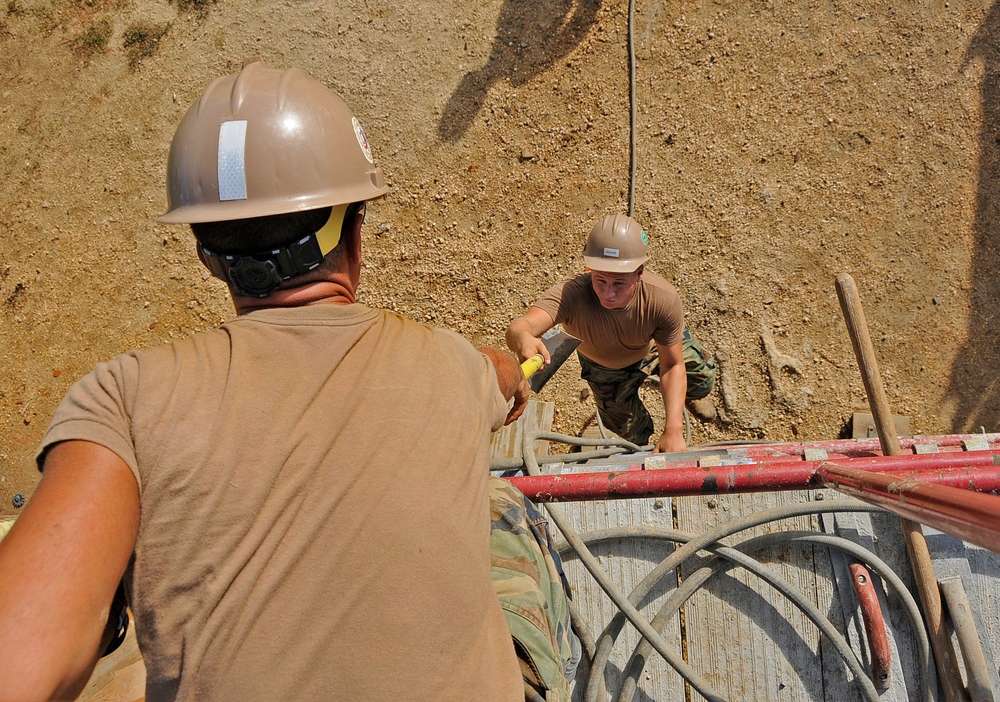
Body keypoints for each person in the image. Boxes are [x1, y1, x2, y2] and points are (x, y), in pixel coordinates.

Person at [0, 63, 575, 701]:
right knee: (506, 513)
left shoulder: (123, 398)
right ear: (355, 232)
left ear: (205, 253)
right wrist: (511, 378)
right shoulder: (450, 364)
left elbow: (21, 663)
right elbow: (498, 371)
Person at [506, 214, 717, 453]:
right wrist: (523, 338)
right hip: (604, 368)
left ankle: (689, 396)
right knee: (632, 433)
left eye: (618, 283)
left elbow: (672, 364)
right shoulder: (571, 295)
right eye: (600, 280)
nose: (607, 293)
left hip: (652, 348)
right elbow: (520, 327)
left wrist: (674, 430)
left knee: (703, 378)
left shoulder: (663, 300)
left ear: (639, 272)